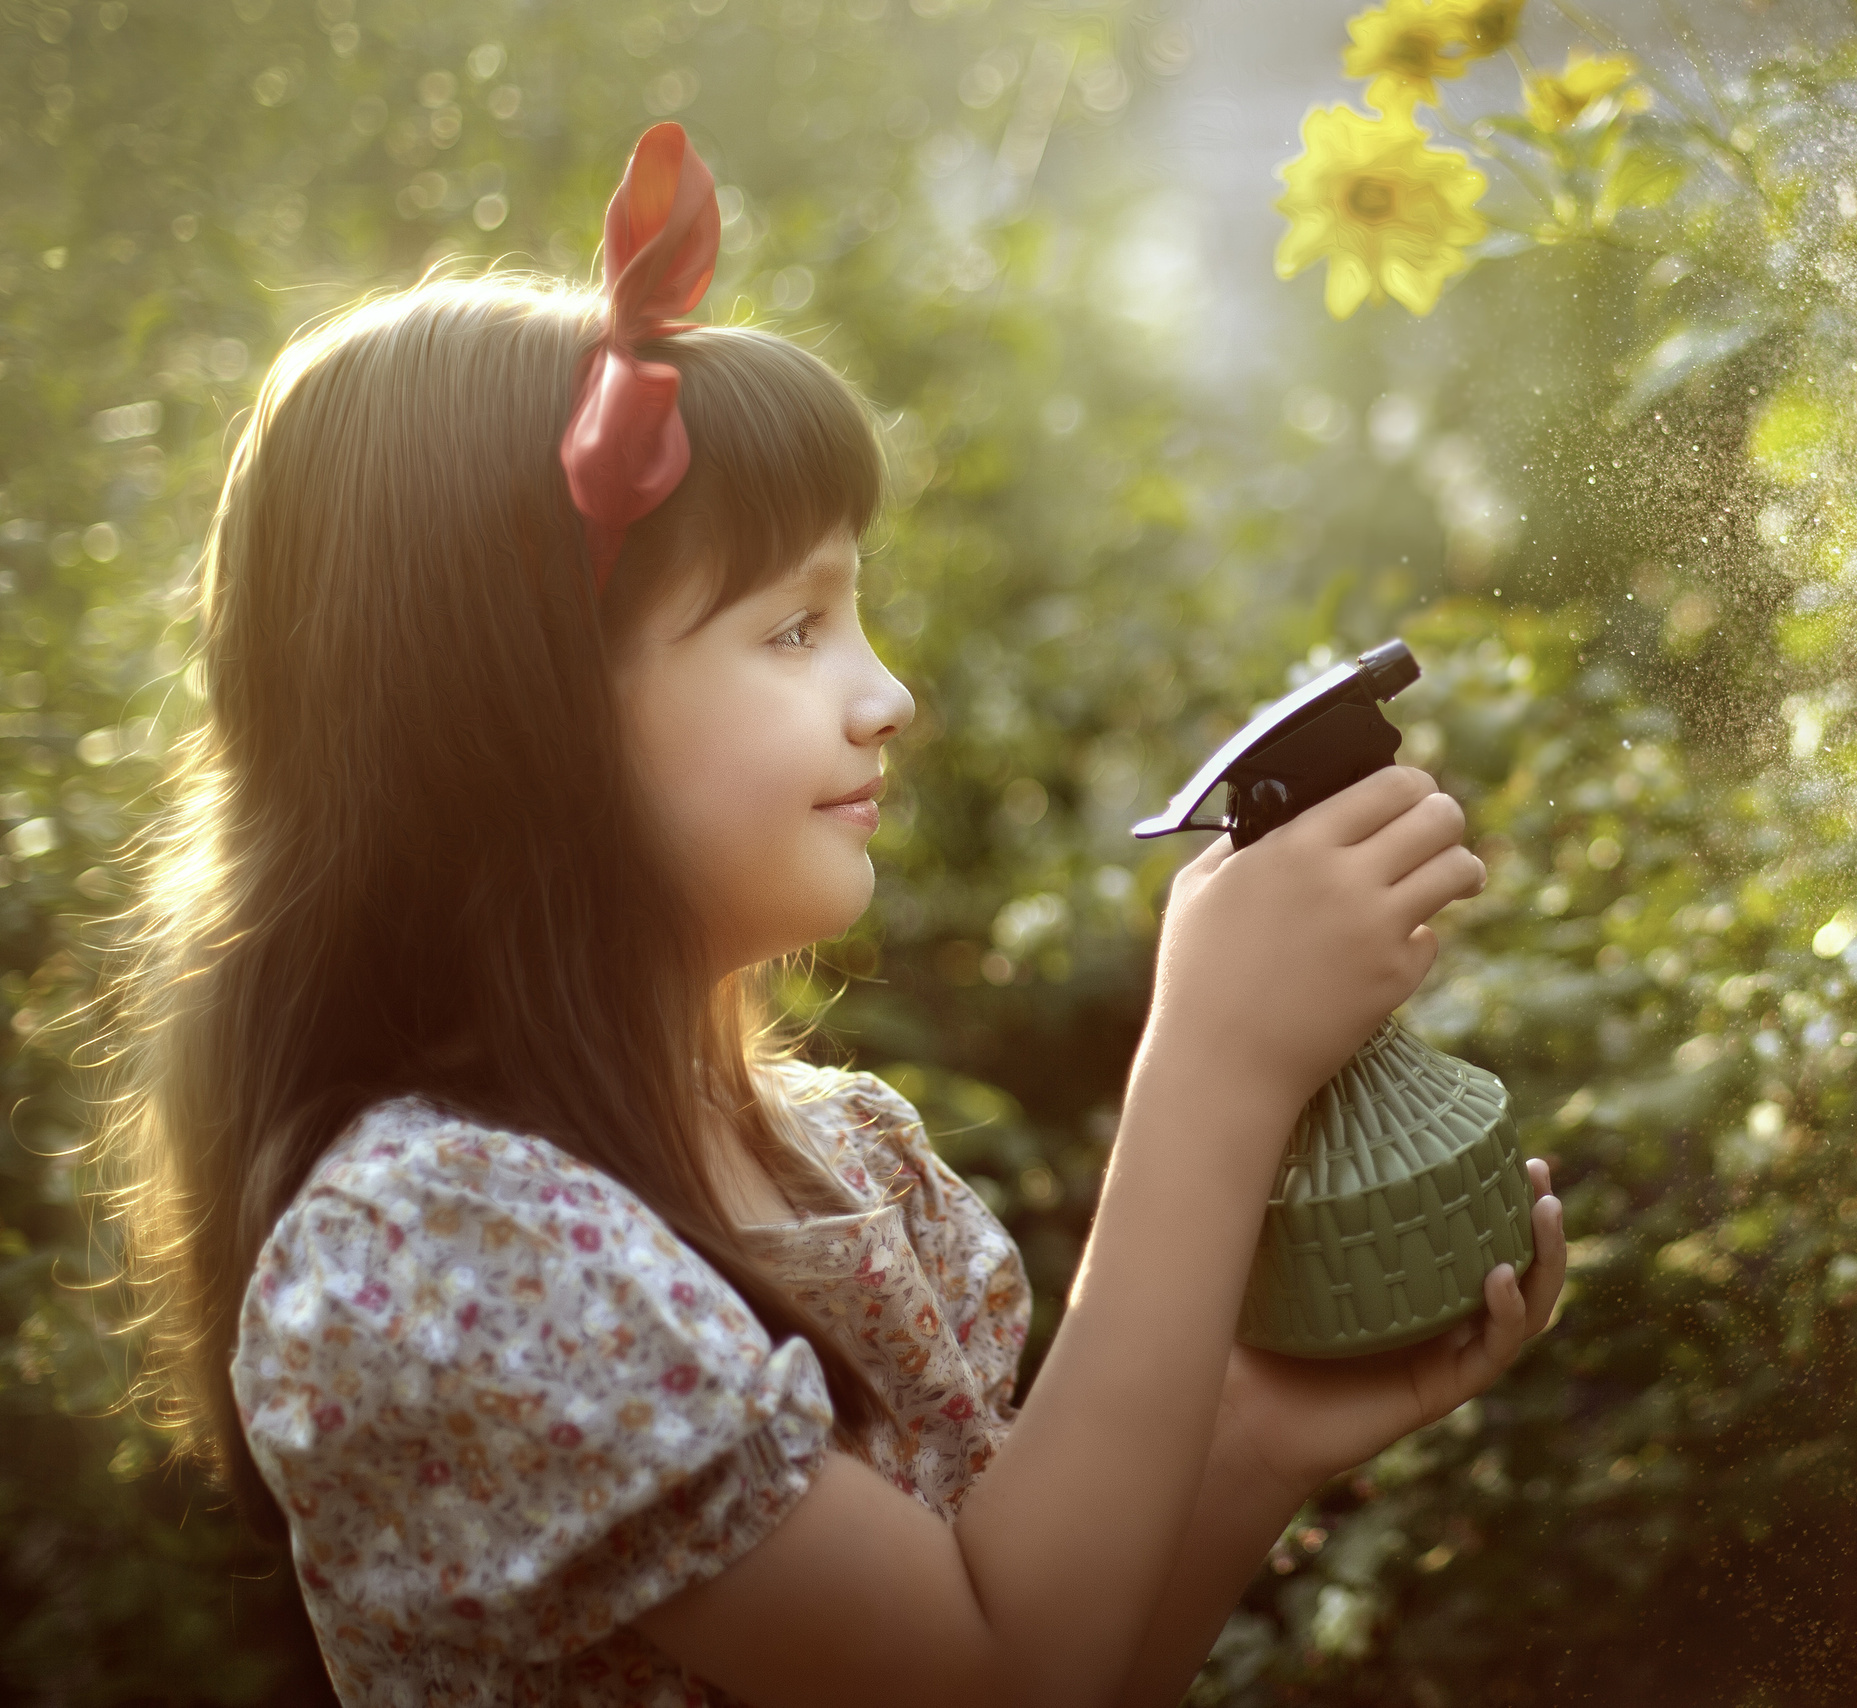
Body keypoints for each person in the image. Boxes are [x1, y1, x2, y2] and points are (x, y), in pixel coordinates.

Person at [101, 122, 1566, 1706]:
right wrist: (1211, 1063)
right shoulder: (442, 1245)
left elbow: (1050, 1653)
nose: (889, 696)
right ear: (511, 725)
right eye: (795, 627)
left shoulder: (847, 1159)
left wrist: (1249, 1436)